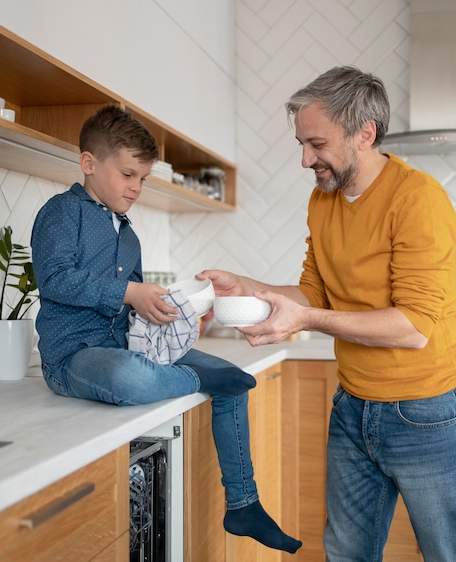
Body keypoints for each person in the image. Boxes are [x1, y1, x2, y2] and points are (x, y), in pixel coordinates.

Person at [198, 66, 456, 561]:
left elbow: (414, 328)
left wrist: (306, 321)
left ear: (365, 134)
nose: (306, 159)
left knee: (449, 554)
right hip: (353, 407)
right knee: (346, 553)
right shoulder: (323, 199)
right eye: (301, 144)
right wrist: (252, 287)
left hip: (427, 411)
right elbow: (315, 292)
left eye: (317, 144)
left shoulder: (418, 199)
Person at [30, 104, 301, 554]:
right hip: (73, 357)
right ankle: (202, 381)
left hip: (125, 344)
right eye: (128, 174)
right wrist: (130, 291)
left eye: (142, 178)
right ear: (88, 163)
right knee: (127, 377)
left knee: (230, 377)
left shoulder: (129, 235)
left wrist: (170, 309)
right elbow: (55, 279)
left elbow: (136, 310)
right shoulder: (62, 213)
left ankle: (243, 504)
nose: (136, 188)